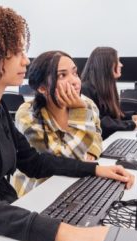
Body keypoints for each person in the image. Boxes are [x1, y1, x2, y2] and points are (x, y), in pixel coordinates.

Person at [0, 6, 135, 241]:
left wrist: (95, 170)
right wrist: (69, 233)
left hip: (1, 213)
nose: (26, 60)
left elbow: (33, 161)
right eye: (17, 52)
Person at [12, 50, 103, 196]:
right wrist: (79, 112)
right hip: (37, 192)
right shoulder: (28, 115)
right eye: (62, 75)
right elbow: (63, 163)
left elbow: (97, 132)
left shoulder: (87, 103)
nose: (75, 81)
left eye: (75, 73)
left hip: (74, 186)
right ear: (42, 88)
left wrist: (92, 150)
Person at [81, 47, 137, 139]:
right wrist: (132, 124)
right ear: (106, 65)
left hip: (111, 138)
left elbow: (112, 117)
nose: (121, 65)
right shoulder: (85, 89)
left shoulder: (106, 87)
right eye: (117, 61)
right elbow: (100, 122)